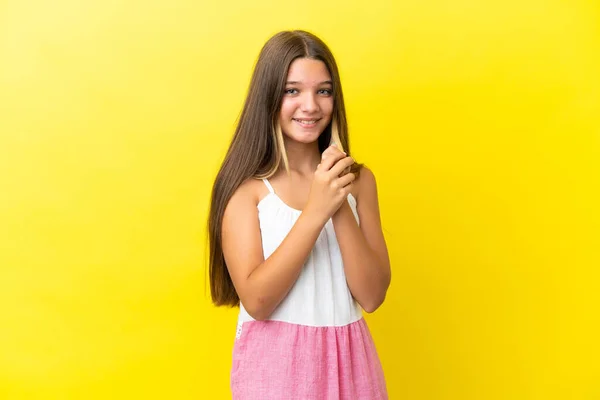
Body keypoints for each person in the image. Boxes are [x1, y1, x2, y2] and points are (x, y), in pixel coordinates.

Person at [208, 29, 391, 399]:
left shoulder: (359, 182)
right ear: (270, 97)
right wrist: (315, 210)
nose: (310, 105)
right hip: (276, 365)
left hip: (352, 363)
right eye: (293, 90)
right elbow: (257, 302)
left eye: (323, 91)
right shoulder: (248, 190)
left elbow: (372, 296)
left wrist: (336, 199)